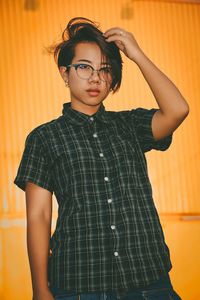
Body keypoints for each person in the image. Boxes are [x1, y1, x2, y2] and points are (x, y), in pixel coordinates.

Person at [14, 17, 189, 300]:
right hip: (79, 283)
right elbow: (39, 215)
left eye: (105, 70)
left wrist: (137, 54)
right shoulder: (44, 138)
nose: (95, 78)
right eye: (84, 67)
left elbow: (178, 109)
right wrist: (40, 289)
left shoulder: (131, 126)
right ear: (64, 73)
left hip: (148, 278)